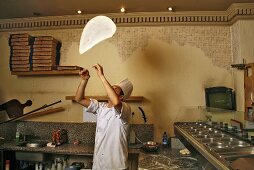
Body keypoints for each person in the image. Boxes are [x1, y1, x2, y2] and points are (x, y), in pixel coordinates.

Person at [75, 63, 133, 170]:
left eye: (115, 89)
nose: (111, 88)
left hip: (115, 166)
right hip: (99, 165)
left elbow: (116, 103)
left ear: (121, 97)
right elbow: (79, 99)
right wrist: (84, 80)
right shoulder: (101, 107)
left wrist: (101, 76)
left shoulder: (125, 109)